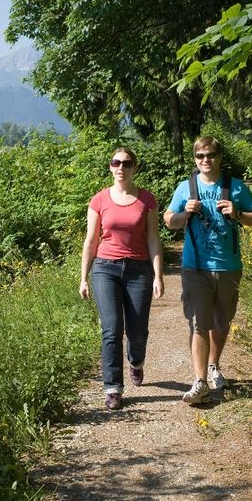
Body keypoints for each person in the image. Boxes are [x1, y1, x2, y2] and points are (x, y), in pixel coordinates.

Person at [163, 136, 252, 405]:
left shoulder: (236, 187)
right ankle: (200, 382)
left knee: (222, 322)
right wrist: (184, 214)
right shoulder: (185, 187)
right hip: (195, 267)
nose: (205, 160)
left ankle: (213, 365)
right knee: (198, 323)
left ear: (219, 157)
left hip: (229, 266)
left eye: (210, 155)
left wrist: (238, 213)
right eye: (200, 156)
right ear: (194, 159)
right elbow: (169, 221)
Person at [80, 147, 164, 410]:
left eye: (127, 163)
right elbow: (91, 240)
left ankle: (136, 361)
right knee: (111, 329)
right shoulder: (99, 200)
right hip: (105, 268)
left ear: (134, 168)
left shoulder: (147, 200)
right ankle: (113, 388)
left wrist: (158, 275)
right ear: (110, 167)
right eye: (116, 162)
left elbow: (153, 238)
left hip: (139, 270)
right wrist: (83, 277)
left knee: (137, 331)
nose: (121, 167)